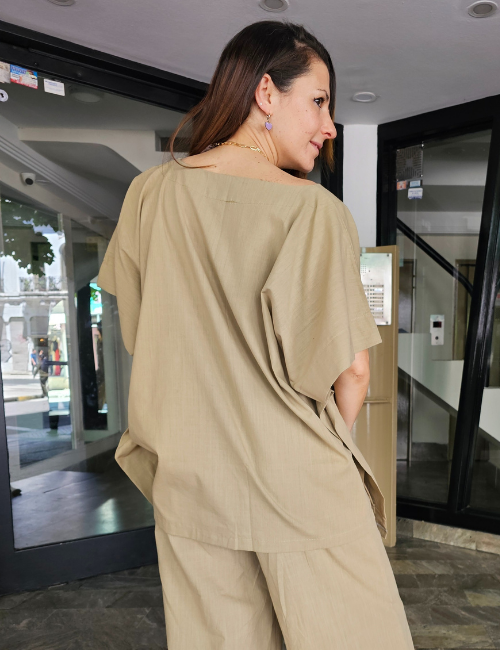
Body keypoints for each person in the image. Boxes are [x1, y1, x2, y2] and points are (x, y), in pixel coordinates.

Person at [97, 20, 414, 650]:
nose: (329, 126)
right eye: (319, 101)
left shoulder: (147, 195)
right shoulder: (313, 210)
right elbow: (351, 370)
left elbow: (143, 334)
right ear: (266, 92)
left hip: (192, 486)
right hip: (299, 486)